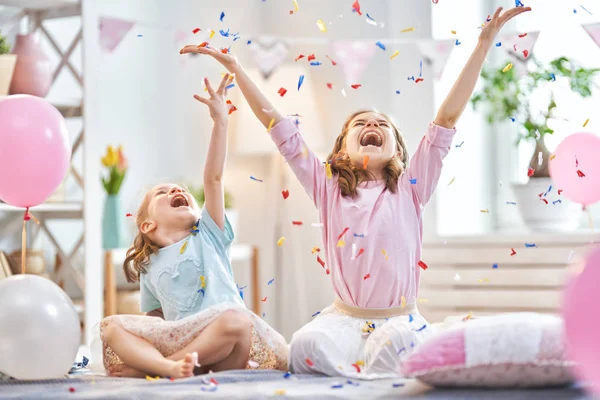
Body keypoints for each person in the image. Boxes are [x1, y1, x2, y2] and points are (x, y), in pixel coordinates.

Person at [180, 5, 531, 379]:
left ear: (398, 150)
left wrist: (482, 45)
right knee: (304, 345)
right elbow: (277, 125)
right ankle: (375, 366)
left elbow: (446, 118)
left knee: (398, 344)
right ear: (342, 149)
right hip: (344, 319)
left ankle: (392, 359)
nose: (372, 124)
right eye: (361, 123)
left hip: (400, 321)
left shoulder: (412, 188)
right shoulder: (327, 186)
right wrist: (238, 70)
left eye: (382, 125)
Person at [91, 74, 288, 378]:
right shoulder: (149, 263)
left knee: (234, 318)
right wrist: (147, 340)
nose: (176, 191)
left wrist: (220, 121)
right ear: (147, 225)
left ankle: (154, 369)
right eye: (163, 192)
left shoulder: (209, 235)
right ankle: (167, 365)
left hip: (227, 345)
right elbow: (155, 317)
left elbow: (213, 179)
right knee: (110, 327)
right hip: (186, 344)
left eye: (181, 191)